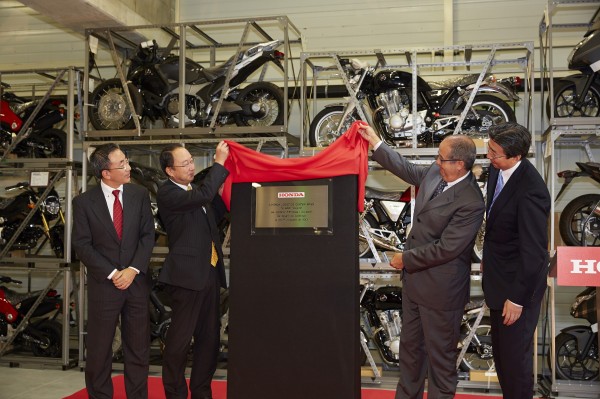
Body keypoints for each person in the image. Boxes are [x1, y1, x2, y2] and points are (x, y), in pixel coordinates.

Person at [358, 124, 485, 399]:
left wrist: (405, 259)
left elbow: (447, 248)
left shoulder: (471, 201)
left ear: (460, 164)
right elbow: (406, 168)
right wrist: (377, 143)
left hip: (442, 292)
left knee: (440, 362)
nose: (436, 162)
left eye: (441, 158)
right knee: (410, 355)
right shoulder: (435, 173)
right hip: (415, 286)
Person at [72, 143, 155, 399]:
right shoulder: (84, 203)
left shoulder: (139, 195)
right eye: (122, 164)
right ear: (105, 173)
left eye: (126, 161)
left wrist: (132, 269)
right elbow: (82, 245)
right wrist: (112, 273)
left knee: (138, 349)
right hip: (104, 285)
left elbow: (148, 236)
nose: (129, 167)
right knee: (99, 350)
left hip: (136, 284)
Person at [482, 122, 550, 399]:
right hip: (498, 284)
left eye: (495, 153)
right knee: (502, 360)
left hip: (517, 292)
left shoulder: (531, 190)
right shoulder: (496, 170)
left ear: (516, 156)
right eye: (489, 149)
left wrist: (518, 298)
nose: (489, 156)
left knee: (515, 366)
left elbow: (535, 253)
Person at [157, 142, 230, 399]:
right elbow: (202, 197)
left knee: (209, 341)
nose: (191, 167)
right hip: (186, 278)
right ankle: (175, 393)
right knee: (178, 343)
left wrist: (226, 187)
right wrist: (219, 164)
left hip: (209, 274)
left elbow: (213, 211)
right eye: (185, 163)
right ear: (169, 170)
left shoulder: (194, 192)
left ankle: (201, 392)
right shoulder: (168, 193)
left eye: (191, 160)